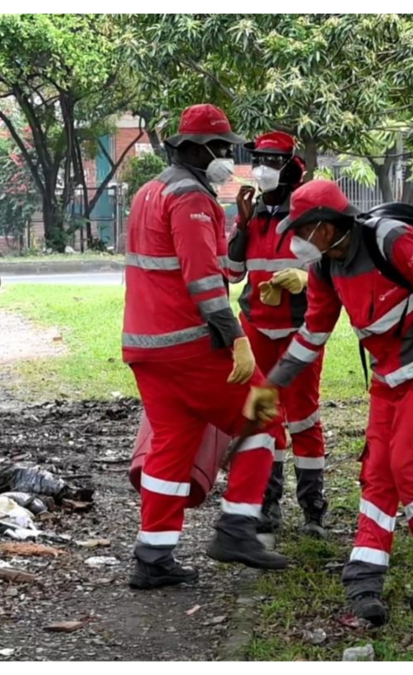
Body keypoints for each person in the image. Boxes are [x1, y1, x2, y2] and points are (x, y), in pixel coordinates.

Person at [246, 180, 413, 627]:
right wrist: (273, 384)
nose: (296, 241)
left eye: (301, 230)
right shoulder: (325, 268)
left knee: (412, 470)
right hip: (388, 376)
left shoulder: (392, 240)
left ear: (322, 227)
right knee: (377, 474)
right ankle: (364, 576)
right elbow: (313, 334)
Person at [123, 104, 290, 590]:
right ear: (194, 149)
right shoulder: (192, 198)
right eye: (220, 149)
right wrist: (237, 341)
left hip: (146, 348)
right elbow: (203, 282)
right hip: (191, 344)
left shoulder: (149, 191)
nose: (226, 158)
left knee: (172, 446)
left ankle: (153, 557)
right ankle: (236, 528)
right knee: (264, 416)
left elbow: (205, 267)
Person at [225, 131, 329, 538]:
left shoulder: (308, 214)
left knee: (304, 417)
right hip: (257, 327)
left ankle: (312, 509)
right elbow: (232, 274)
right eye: (258, 160)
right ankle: (268, 505)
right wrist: (242, 224)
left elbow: (331, 269)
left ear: (291, 168)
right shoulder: (251, 216)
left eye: (271, 161)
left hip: (301, 329)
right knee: (265, 416)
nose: (262, 169)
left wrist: (306, 278)